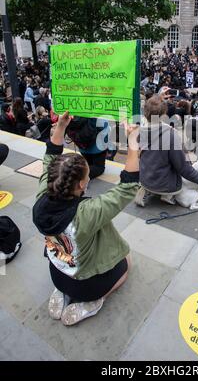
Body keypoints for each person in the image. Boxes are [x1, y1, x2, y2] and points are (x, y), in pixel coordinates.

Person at [32, 111, 140, 326]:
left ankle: (60, 292)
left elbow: (50, 156)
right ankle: (93, 302)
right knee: (126, 263)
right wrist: (133, 141)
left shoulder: (41, 196)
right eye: (87, 175)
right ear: (82, 185)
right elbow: (128, 188)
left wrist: (61, 126)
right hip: (86, 286)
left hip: (58, 272)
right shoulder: (87, 213)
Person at [136, 94, 198, 207]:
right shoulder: (170, 135)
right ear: (164, 114)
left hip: (145, 179)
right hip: (165, 185)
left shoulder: (141, 130)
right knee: (180, 167)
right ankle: (168, 196)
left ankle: (147, 189)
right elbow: (183, 168)